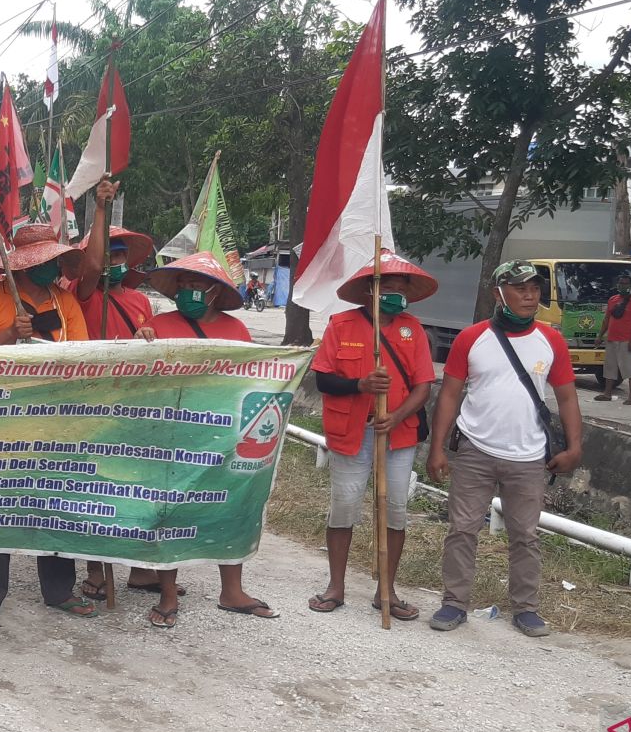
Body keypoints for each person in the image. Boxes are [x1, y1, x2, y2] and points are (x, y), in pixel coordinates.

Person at [427, 260, 583, 637]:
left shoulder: (551, 340)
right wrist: (436, 449)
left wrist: (575, 447)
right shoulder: (471, 338)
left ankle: (526, 609)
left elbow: (566, 397)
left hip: (528, 457)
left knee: (525, 535)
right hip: (475, 450)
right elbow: (448, 396)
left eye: (534, 288)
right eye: (520, 288)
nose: (530, 295)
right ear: (499, 294)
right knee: (462, 529)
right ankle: (454, 603)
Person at [0, 224, 96, 630]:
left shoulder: (66, 301)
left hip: (55, 417)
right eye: (42, 261)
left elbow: (82, 355)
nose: (49, 268)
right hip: (1, 418)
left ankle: (59, 590)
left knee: (55, 504)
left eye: (54, 261)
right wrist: (6, 336)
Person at [132, 251, 274, 627]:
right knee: (170, 511)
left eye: (196, 286)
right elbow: (137, 379)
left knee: (231, 506)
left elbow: (253, 380)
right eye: (183, 285)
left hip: (221, 437)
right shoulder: (157, 327)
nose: (188, 292)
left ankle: (232, 590)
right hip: (171, 436)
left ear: (214, 291)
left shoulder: (237, 332)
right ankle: (166, 594)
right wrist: (138, 342)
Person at [306, 252, 438, 621]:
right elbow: (324, 379)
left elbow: (423, 387)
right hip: (352, 431)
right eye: (387, 287)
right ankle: (336, 586)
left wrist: (396, 416)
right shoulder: (342, 325)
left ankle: (387, 589)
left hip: (398, 434)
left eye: (400, 288)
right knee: (345, 506)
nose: (395, 293)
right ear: (369, 290)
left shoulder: (414, 330)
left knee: (395, 510)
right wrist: (360, 384)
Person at [75, 178, 164, 602]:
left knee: (138, 485)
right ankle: (96, 569)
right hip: (94, 401)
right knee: (98, 486)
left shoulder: (140, 301)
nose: (113, 262)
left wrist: (148, 338)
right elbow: (90, 269)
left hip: (135, 403)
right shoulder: (85, 294)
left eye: (120, 255)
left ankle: (143, 570)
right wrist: (100, 209)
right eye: (108, 254)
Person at [594, 274, 631, 405]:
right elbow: (606, 320)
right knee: (610, 368)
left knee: (629, 369)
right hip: (611, 339)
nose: (622, 286)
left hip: (626, 341)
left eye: (625, 284)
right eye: (620, 283)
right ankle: (607, 394)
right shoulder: (613, 300)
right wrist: (600, 336)